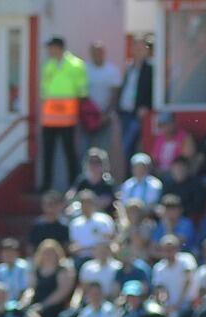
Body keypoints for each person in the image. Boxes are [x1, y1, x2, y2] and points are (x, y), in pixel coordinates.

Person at [38, 35, 88, 191]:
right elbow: (44, 91)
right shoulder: (48, 66)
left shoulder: (76, 65)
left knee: (70, 153)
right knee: (48, 153)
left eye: (51, 47)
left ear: (59, 47)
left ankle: (73, 184)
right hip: (50, 118)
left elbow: (82, 91)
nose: (49, 51)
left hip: (68, 118)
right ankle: (46, 185)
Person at [116, 35, 154, 166]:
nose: (138, 51)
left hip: (138, 114)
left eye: (141, 48)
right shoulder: (129, 67)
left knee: (132, 145)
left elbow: (152, 91)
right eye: (135, 47)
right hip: (125, 113)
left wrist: (146, 106)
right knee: (127, 149)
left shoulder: (150, 69)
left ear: (146, 50)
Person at [82, 42, 121, 153]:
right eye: (94, 52)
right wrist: (88, 115)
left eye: (99, 52)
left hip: (105, 118)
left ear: (104, 53)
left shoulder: (112, 70)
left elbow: (115, 94)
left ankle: (103, 171)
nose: (97, 55)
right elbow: (81, 94)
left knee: (103, 152)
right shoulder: (85, 70)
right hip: (87, 119)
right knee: (84, 151)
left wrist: (106, 114)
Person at [68, 190, 115, 258]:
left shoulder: (105, 220)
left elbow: (110, 240)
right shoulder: (74, 223)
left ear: (94, 204)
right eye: (84, 203)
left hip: (102, 257)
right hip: (82, 258)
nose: (86, 206)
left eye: (89, 203)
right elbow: (73, 246)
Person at [0, 238, 32, 302]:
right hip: (3, 305)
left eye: (11, 252)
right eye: (5, 252)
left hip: (19, 304)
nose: (8, 255)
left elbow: (26, 290)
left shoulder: (24, 266)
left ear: (17, 253)